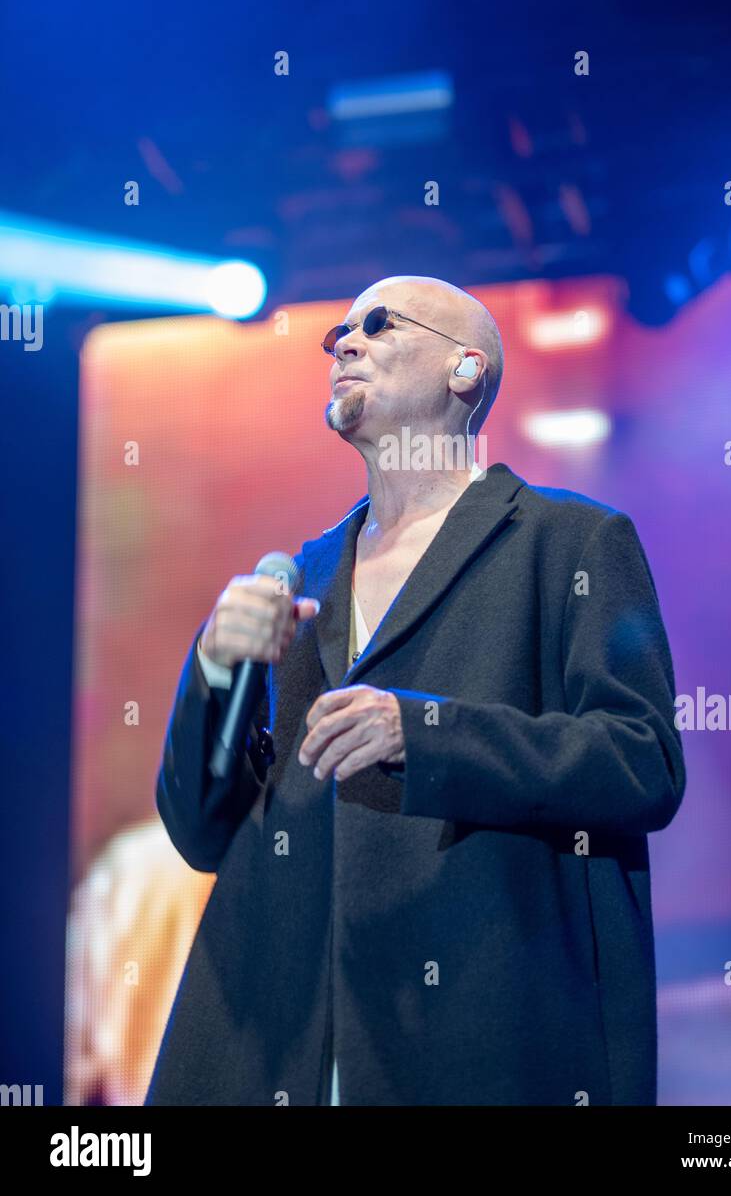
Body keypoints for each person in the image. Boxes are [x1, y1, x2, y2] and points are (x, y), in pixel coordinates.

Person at [145, 275, 686, 1107]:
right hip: (277, 1046)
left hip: (475, 1035)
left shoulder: (568, 541)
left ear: (465, 370)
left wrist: (425, 734)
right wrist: (215, 665)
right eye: (338, 336)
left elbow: (641, 760)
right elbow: (202, 830)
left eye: (378, 325)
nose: (345, 345)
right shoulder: (305, 572)